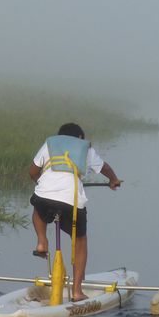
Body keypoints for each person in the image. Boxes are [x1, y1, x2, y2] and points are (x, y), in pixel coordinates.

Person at [29, 123, 121, 301]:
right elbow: (105, 168)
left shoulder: (50, 144)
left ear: (60, 135)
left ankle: (41, 242)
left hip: (44, 196)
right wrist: (114, 180)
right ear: (80, 137)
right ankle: (77, 292)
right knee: (80, 241)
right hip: (71, 201)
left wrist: (43, 184)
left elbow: (32, 171)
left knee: (37, 207)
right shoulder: (85, 148)